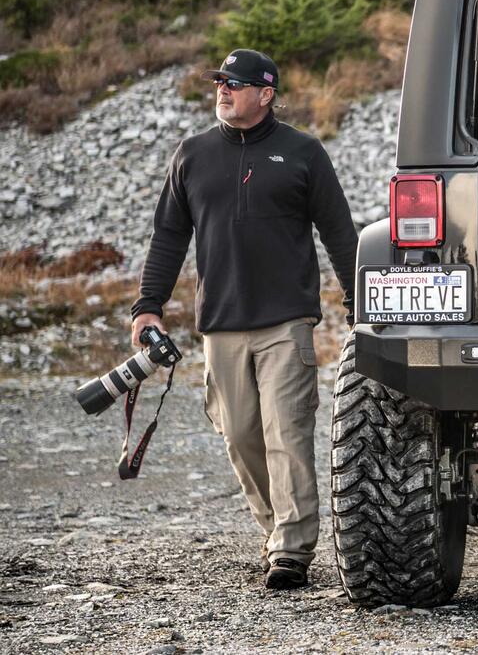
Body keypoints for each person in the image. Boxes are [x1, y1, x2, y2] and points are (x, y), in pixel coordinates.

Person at [130, 48, 357, 590]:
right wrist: (147, 306)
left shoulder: (302, 152)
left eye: (235, 83)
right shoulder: (192, 154)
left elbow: (339, 232)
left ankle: (292, 549)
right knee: (239, 435)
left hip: (287, 323)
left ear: (266, 93)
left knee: (287, 432)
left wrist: (360, 305)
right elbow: (168, 236)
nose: (223, 90)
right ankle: (276, 526)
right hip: (221, 325)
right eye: (220, 82)